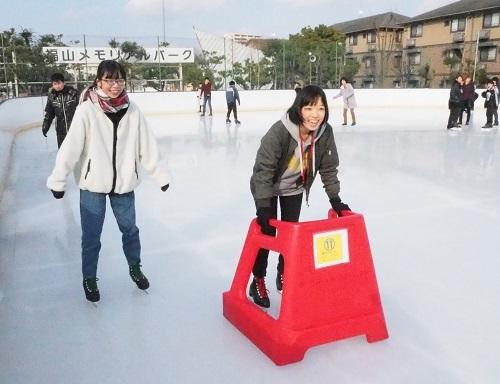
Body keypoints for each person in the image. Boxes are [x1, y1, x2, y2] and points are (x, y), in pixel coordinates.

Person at [46, 60, 170, 303]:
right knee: (92, 236)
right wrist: (58, 180)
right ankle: (89, 278)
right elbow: (70, 148)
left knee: (130, 230)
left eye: (119, 80)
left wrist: (160, 174)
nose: (115, 85)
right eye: (109, 80)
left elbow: (147, 145)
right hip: (93, 185)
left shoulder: (132, 110)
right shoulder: (87, 110)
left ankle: (135, 266)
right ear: (98, 81)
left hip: (124, 184)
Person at [249, 85, 351, 308]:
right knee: (267, 234)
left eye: (321, 108)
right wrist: (264, 206)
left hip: (293, 188)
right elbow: (263, 171)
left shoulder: (325, 133)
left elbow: (328, 168)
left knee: (289, 236)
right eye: (309, 108)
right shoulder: (279, 132)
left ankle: (283, 273)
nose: (315, 115)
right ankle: (257, 279)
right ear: (299, 110)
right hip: (267, 186)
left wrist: (335, 199)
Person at [42, 73, 79, 148]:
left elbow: (83, 109)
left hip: (75, 129)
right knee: (63, 152)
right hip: (61, 131)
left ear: (63, 82)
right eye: (55, 84)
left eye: (59, 83)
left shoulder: (73, 93)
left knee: (76, 151)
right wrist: (45, 126)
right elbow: (49, 114)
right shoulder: (51, 97)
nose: (57, 86)